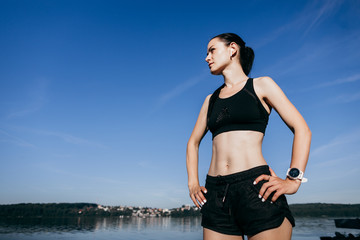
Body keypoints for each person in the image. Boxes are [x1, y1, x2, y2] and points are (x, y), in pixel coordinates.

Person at [186, 33, 311, 240]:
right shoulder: (210, 100)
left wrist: (293, 180)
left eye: (212, 50)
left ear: (232, 49)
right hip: (216, 194)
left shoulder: (261, 85)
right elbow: (193, 142)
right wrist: (192, 183)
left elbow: (302, 129)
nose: (206, 57)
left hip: (256, 189)